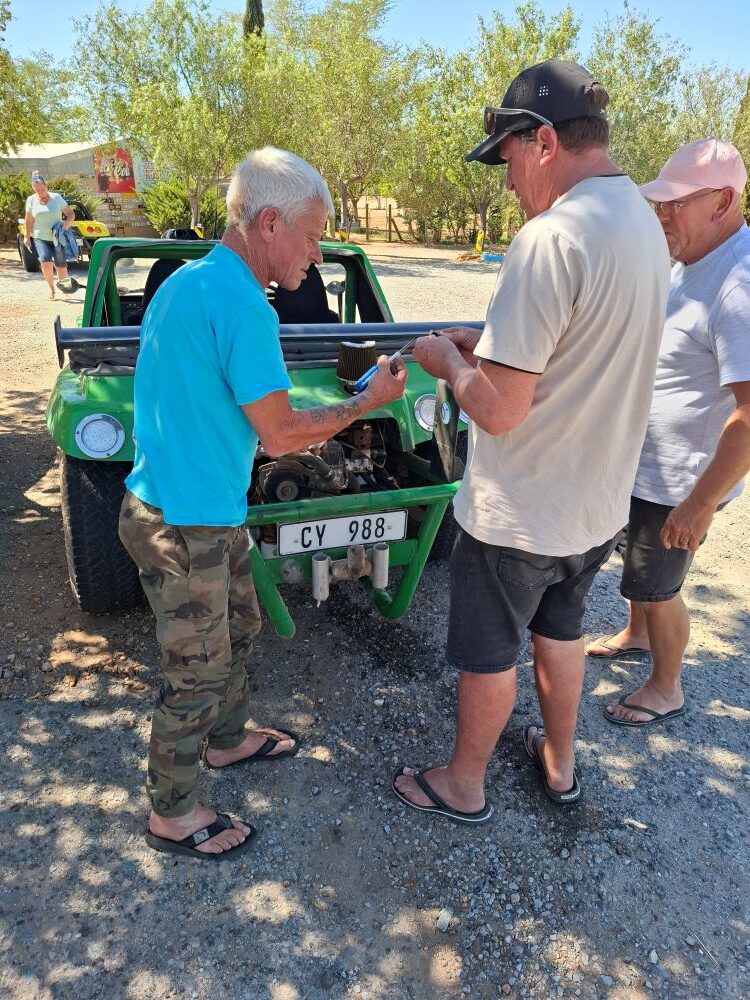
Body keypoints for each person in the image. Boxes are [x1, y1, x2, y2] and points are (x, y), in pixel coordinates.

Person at [392, 59, 671, 823]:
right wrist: (488, 341)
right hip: (595, 505)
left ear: (544, 142)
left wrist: (449, 362)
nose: (508, 182)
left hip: (520, 511)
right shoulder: (643, 224)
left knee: (490, 652)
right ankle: (560, 763)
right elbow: (582, 344)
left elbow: (498, 411)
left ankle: (463, 784)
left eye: (509, 159)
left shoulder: (550, 238)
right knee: (561, 632)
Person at [118, 146, 407, 859]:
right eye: (312, 235)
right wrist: (365, 402)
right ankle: (173, 814)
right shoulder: (246, 306)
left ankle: (226, 740)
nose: (318, 253)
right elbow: (279, 434)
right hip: (183, 522)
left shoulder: (187, 281)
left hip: (197, 508)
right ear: (270, 222)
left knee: (242, 621)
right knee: (195, 671)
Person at [586, 138, 750, 726]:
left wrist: (700, 503)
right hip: (649, 462)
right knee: (639, 567)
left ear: (723, 202)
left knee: (659, 585)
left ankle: (666, 687)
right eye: (659, 203)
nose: (662, 215)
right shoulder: (691, 260)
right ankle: (637, 634)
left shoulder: (737, 283)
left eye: (676, 203)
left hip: (683, 478)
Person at [22, 171, 75, 300]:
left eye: (43, 189)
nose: (41, 192)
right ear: (33, 189)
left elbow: (70, 213)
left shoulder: (56, 198)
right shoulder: (31, 200)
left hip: (58, 237)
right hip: (40, 237)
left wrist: (67, 223)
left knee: (61, 266)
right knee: (45, 262)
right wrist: (26, 236)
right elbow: (28, 220)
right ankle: (52, 289)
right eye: (37, 190)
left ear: (47, 186)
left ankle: (65, 290)